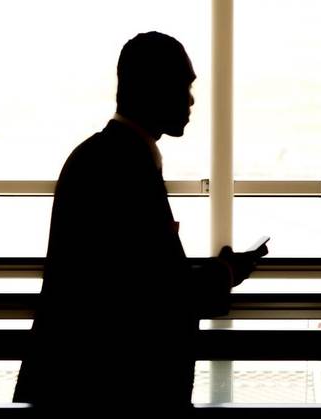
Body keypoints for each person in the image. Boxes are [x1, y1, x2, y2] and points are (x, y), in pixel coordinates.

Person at [13, 32, 265, 411]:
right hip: (113, 391)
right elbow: (155, 295)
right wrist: (226, 273)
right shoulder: (125, 168)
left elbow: (131, 273)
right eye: (184, 85)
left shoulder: (97, 156)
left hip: (75, 384)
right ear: (155, 87)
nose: (191, 99)